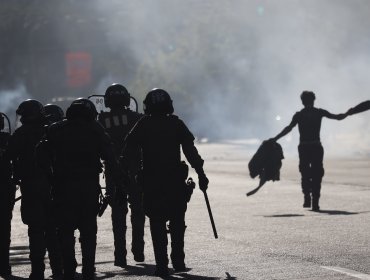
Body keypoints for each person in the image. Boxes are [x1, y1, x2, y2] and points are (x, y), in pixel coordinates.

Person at [123, 88, 209, 277]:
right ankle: (178, 260)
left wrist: (126, 172)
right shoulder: (176, 123)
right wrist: (201, 173)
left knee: (157, 222)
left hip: (152, 182)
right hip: (174, 182)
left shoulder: (143, 124)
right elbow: (190, 151)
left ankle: (162, 264)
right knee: (178, 221)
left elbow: (129, 149)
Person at [42, 98, 123, 280]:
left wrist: (49, 178)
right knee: (88, 230)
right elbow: (110, 157)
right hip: (88, 189)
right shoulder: (95, 130)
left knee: (65, 231)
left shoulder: (56, 129)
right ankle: (88, 268)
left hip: (62, 188)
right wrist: (119, 182)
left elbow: (41, 154)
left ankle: (69, 269)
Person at [7, 100, 62, 279]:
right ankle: (58, 269)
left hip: (31, 187)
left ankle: (37, 271)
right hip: (53, 187)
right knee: (53, 229)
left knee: (36, 230)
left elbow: (8, 156)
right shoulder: (52, 131)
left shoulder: (21, 134)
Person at [271, 91, 348, 211]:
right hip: (316, 147)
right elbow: (338, 117)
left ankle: (307, 196)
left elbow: (288, 128)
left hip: (304, 148)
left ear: (302, 102)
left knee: (305, 173)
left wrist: (275, 138)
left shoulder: (299, 115)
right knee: (317, 174)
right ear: (313, 100)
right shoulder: (319, 112)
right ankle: (315, 200)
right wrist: (349, 112)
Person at [98, 83, 145, 267]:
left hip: (113, 172)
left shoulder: (101, 121)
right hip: (135, 171)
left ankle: (120, 255)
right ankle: (138, 250)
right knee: (138, 211)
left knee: (118, 213)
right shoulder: (137, 118)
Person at [0, 113, 16, 277]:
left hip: (5, 188)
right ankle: (4, 266)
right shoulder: (7, 139)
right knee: (4, 231)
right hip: (4, 188)